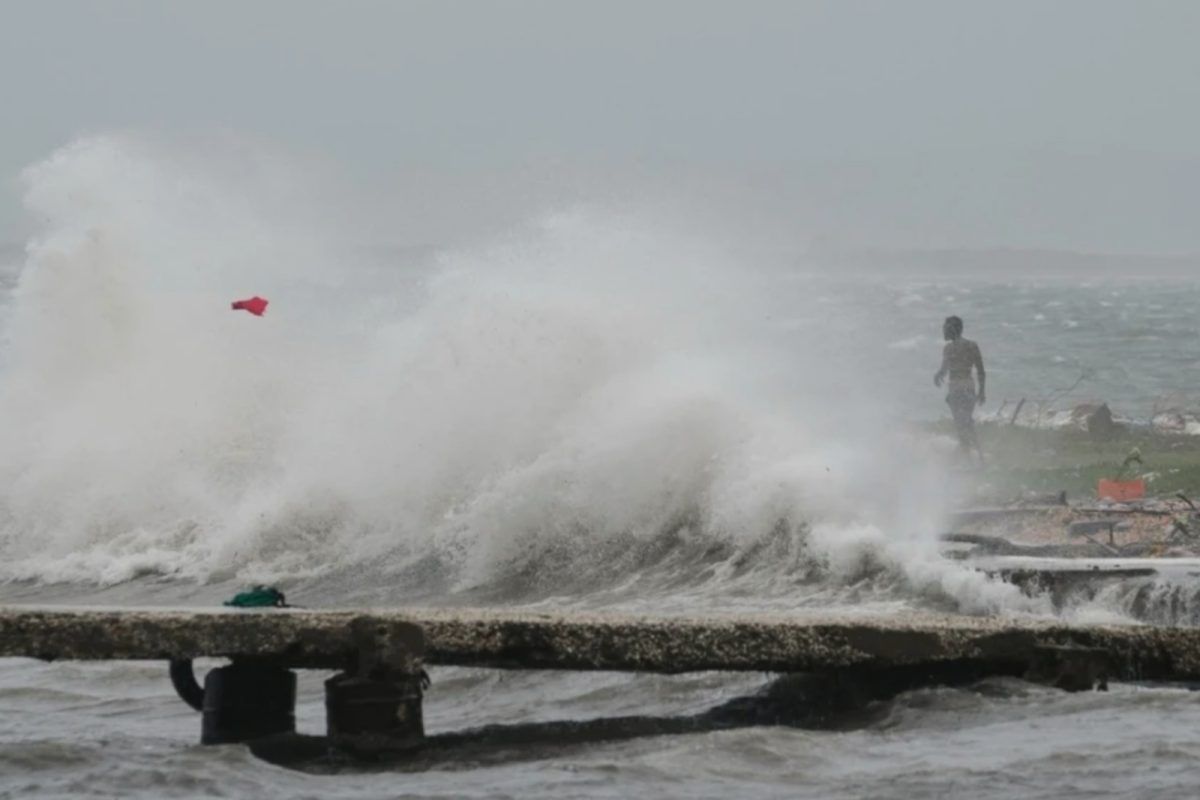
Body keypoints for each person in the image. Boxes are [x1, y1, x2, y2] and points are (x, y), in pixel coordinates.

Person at [933, 315, 985, 462]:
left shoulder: (949, 348)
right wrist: (981, 391)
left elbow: (944, 370)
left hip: (957, 390)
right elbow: (981, 371)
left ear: (952, 329)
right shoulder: (971, 345)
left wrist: (938, 375)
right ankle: (976, 457)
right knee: (966, 423)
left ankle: (971, 458)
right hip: (968, 388)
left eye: (945, 328)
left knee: (961, 425)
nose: (943, 331)